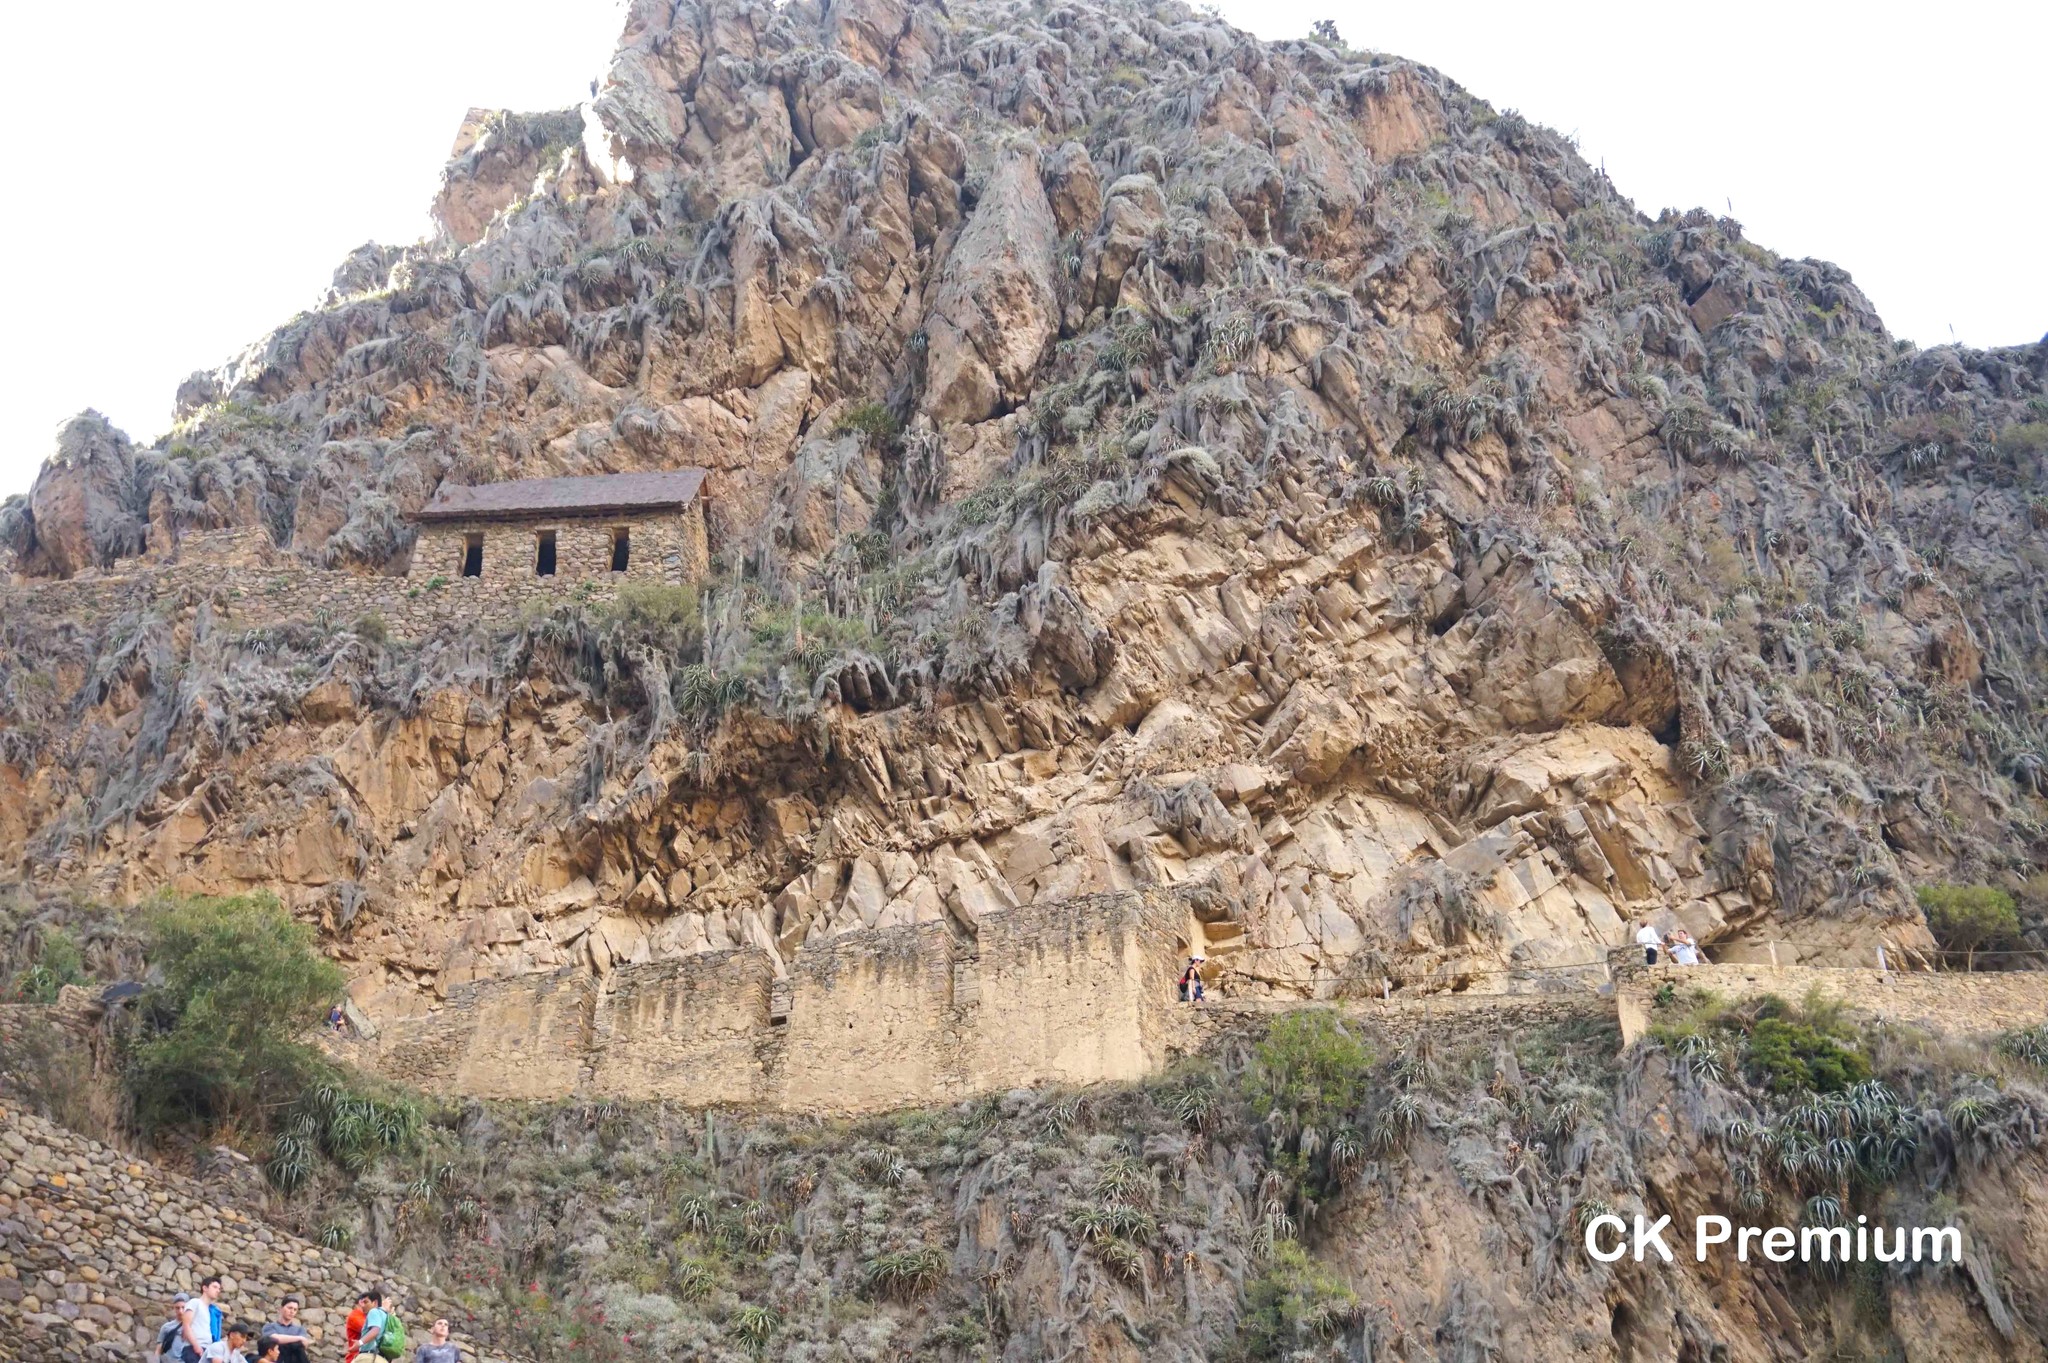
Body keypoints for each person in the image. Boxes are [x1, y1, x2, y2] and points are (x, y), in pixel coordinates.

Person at [177, 1277, 223, 1363]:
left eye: (219, 1288)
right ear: (205, 1288)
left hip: (207, 1351)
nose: (218, 1291)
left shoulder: (212, 1311)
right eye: (215, 1287)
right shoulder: (195, 1302)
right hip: (193, 1349)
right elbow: (186, 1325)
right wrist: (196, 1346)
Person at [262, 1296, 312, 1363]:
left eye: (295, 1309)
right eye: (290, 1308)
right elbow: (274, 1339)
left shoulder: (300, 1329)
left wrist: (284, 1342)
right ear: (281, 1308)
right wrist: (299, 1338)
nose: (292, 1311)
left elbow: (304, 1345)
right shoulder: (269, 1326)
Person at [155, 1292, 192, 1362]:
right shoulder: (166, 1327)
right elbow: (158, 1349)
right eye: (177, 1308)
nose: (180, 1311)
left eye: (183, 1307)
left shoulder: (194, 1326)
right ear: (174, 1308)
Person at [344, 1291, 374, 1363]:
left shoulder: (364, 1316)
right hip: (356, 1358)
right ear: (361, 1302)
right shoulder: (355, 1315)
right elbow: (369, 1329)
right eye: (372, 1303)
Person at [359, 1290, 389, 1359]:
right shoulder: (387, 1316)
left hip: (369, 1357)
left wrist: (359, 1343)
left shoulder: (373, 1311)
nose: (363, 1306)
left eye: (366, 1302)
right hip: (382, 1359)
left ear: (375, 1302)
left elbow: (375, 1330)